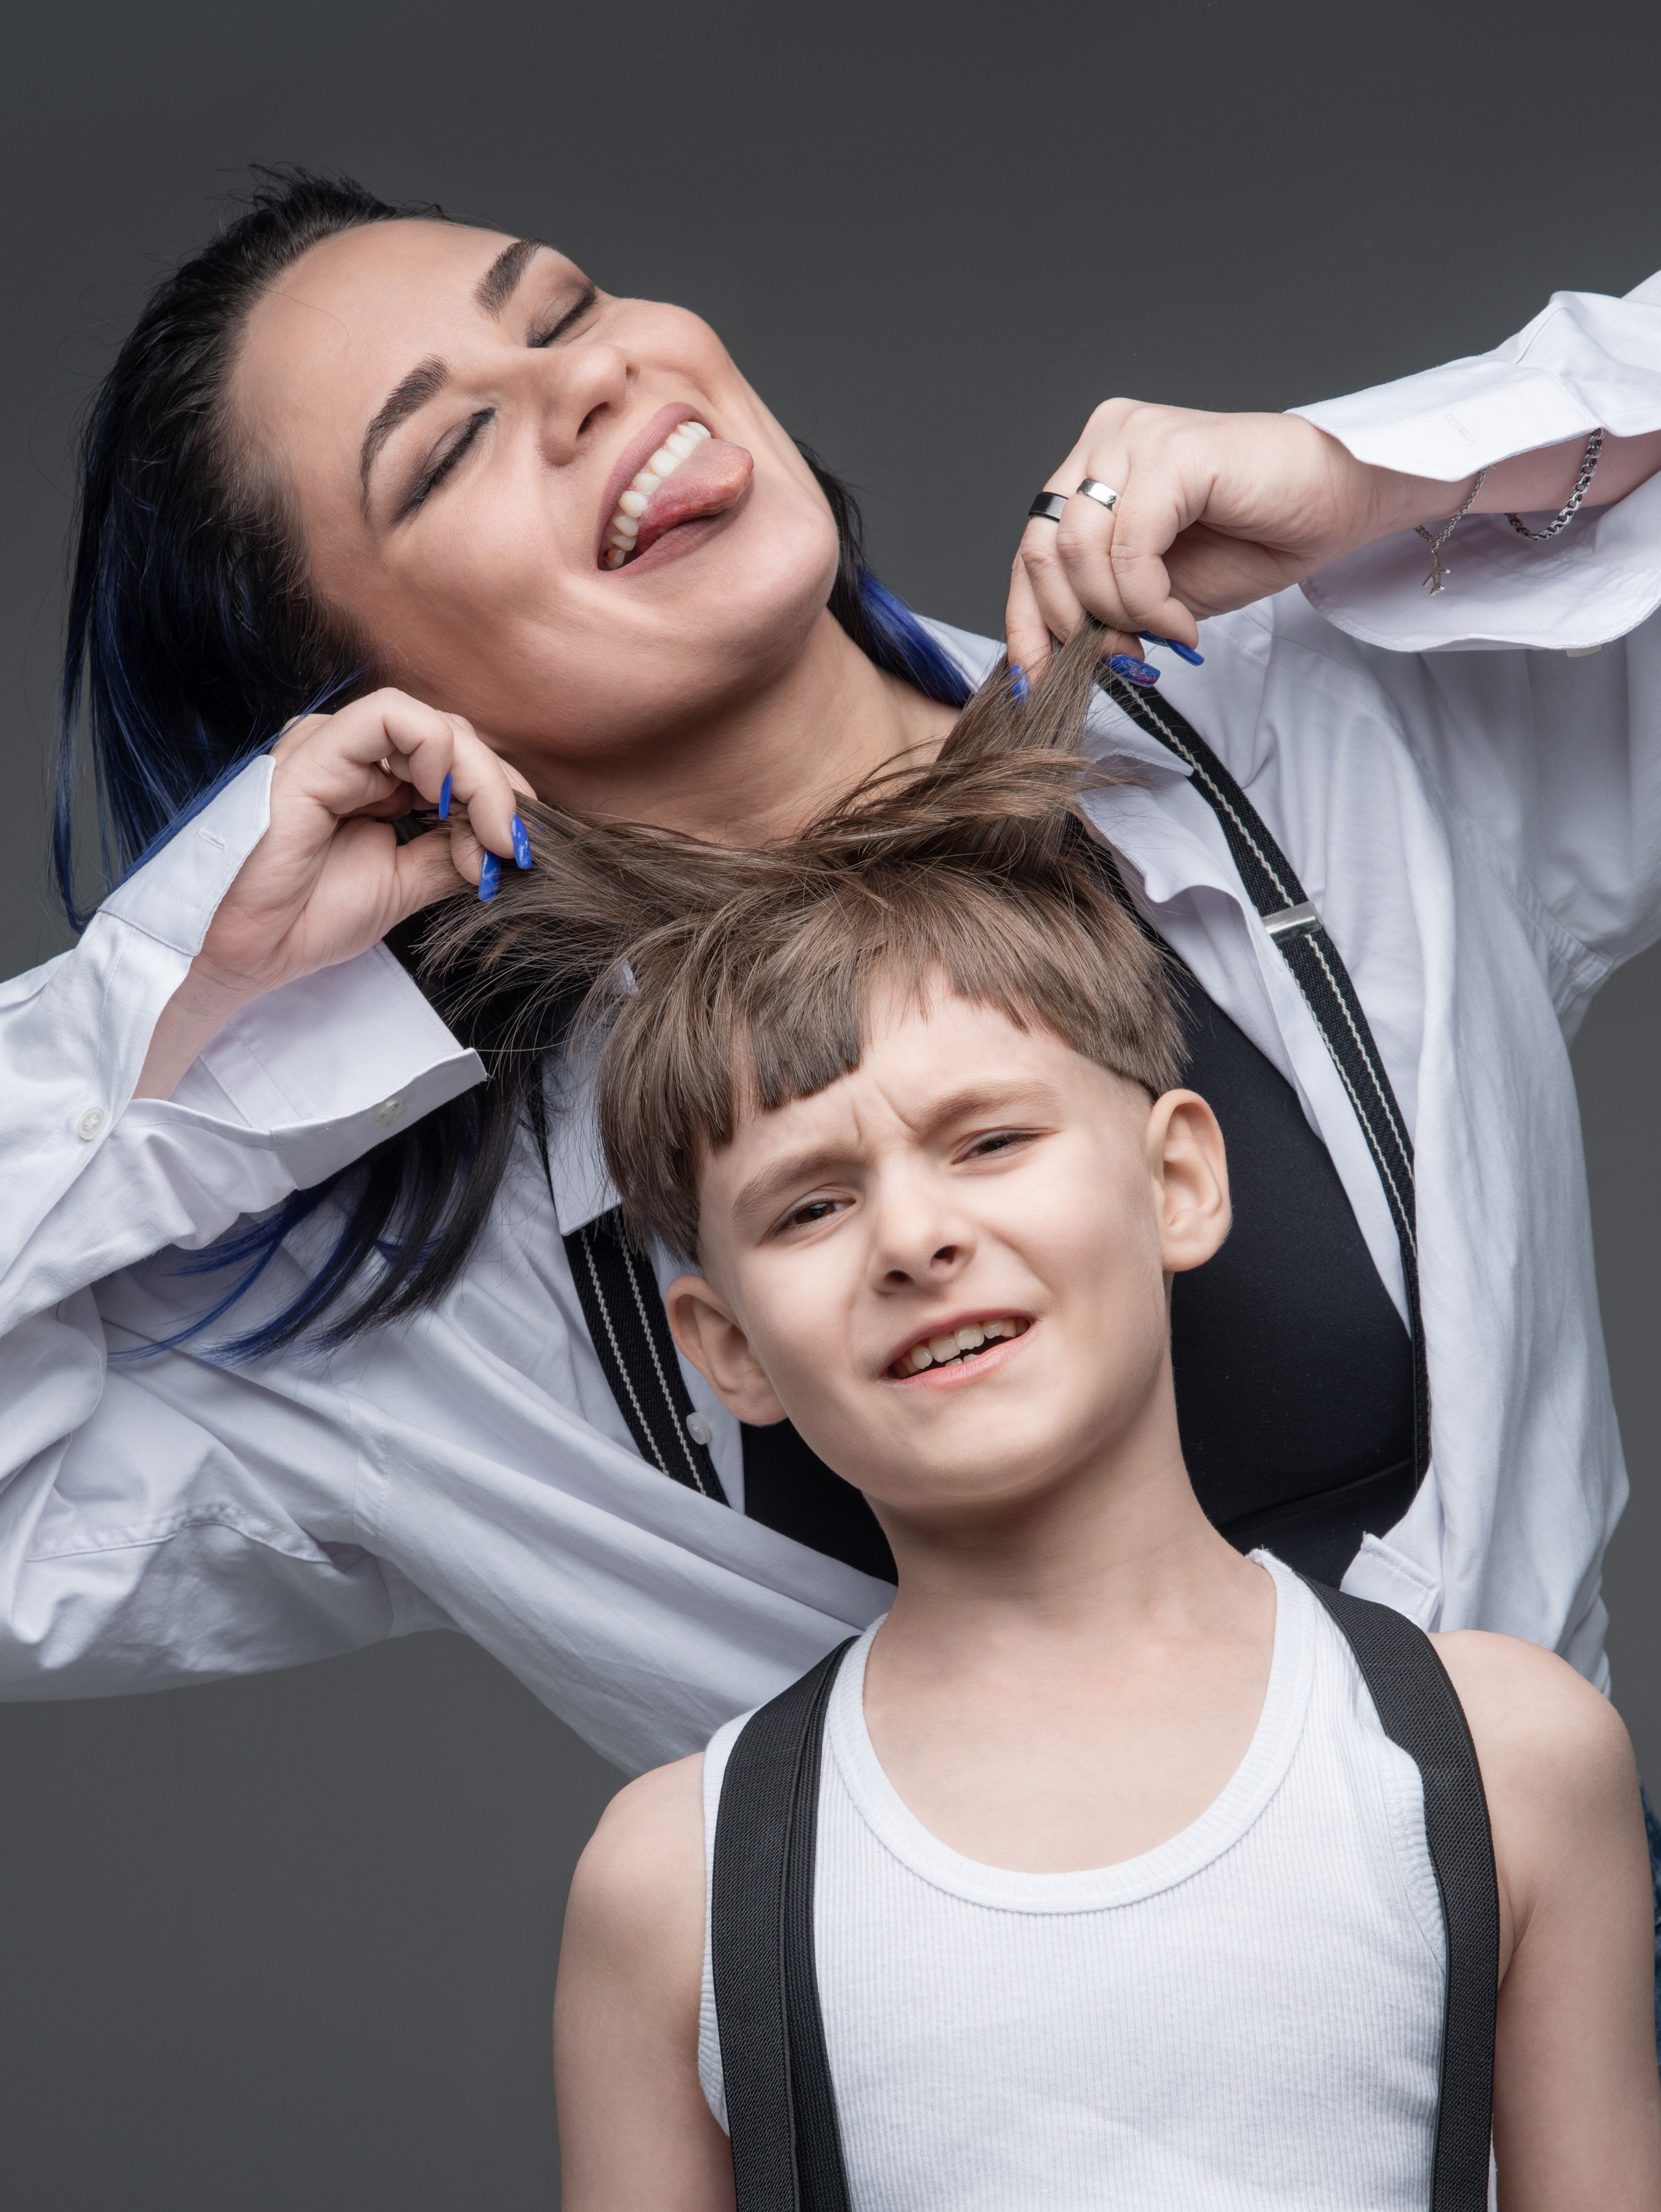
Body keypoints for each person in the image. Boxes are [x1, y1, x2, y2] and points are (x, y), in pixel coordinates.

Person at [6, 167, 1661, 1768]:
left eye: (566, 307)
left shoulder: (1310, 710)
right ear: (352, 692)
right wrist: (174, 1009)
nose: (586, 381)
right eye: (446, 450)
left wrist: (1397, 479)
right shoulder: (439, 1304)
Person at [540, 650, 1661, 2212]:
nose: (914, 1234)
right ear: (725, 1346)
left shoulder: (1505, 1762)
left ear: (1180, 1180)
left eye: (986, 1138)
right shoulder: (676, 1872)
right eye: (810, 1203)